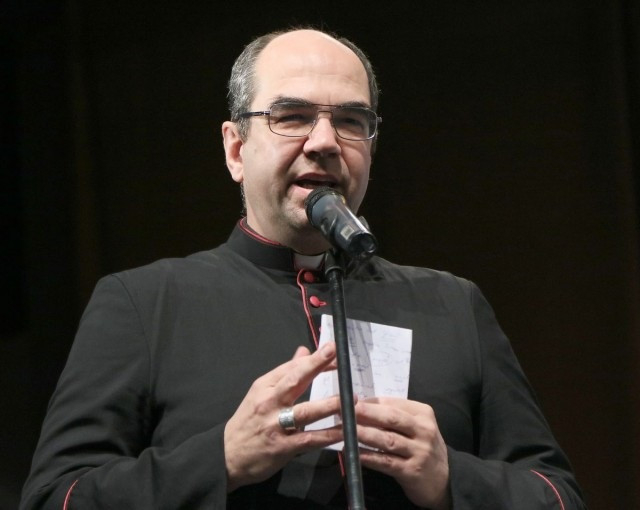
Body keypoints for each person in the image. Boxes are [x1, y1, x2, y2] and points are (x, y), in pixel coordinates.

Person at [20, 28, 586, 509]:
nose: (324, 142)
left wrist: (449, 477)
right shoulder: (143, 302)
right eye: (291, 116)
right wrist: (222, 458)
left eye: (351, 121)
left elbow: (556, 495)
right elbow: (55, 497)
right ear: (236, 149)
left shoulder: (452, 303)